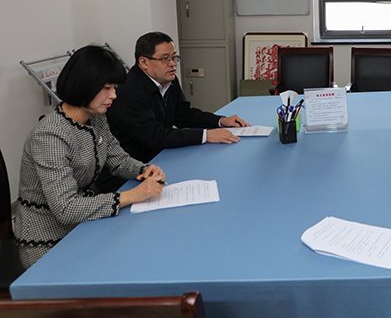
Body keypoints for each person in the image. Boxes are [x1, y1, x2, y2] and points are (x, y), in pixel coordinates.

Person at [14, 45, 165, 268]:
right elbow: (66, 208)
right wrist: (132, 195)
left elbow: (118, 159)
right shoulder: (50, 136)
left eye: (114, 88)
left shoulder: (96, 117)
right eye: (107, 88)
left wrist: (143, 170)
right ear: (84, 85)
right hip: (49, 242)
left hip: (83, 226)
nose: (114, 95)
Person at [102, 32, 249, 191]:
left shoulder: (168, 80)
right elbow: (156, 136)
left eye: (174, 58)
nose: (173, 64)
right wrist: (206, 135)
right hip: (128, 174)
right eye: (165, 59)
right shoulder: (127, 92)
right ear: (144, 62)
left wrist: (220, 121)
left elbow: (184, 115)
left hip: (160, 160)